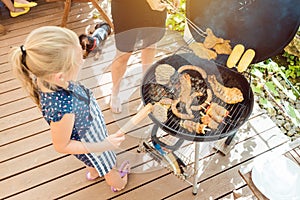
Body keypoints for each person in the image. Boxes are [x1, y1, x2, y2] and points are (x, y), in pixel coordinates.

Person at [9, 26, 130, 192]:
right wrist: (102, 145)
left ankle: (93, 172)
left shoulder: (46, 79)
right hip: (92, 144)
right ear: (60, 75)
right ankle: (118, 184)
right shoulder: (63, 108)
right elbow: (62, 145)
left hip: (87, 134)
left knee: (93, 162)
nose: (83, 59)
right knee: (109, 167)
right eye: (80, 59)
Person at [109, 0, 179, 113]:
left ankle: (146, 83)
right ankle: (115, 92)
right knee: (123, 54)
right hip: (127, 8)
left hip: (154, 9)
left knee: (150, 43)